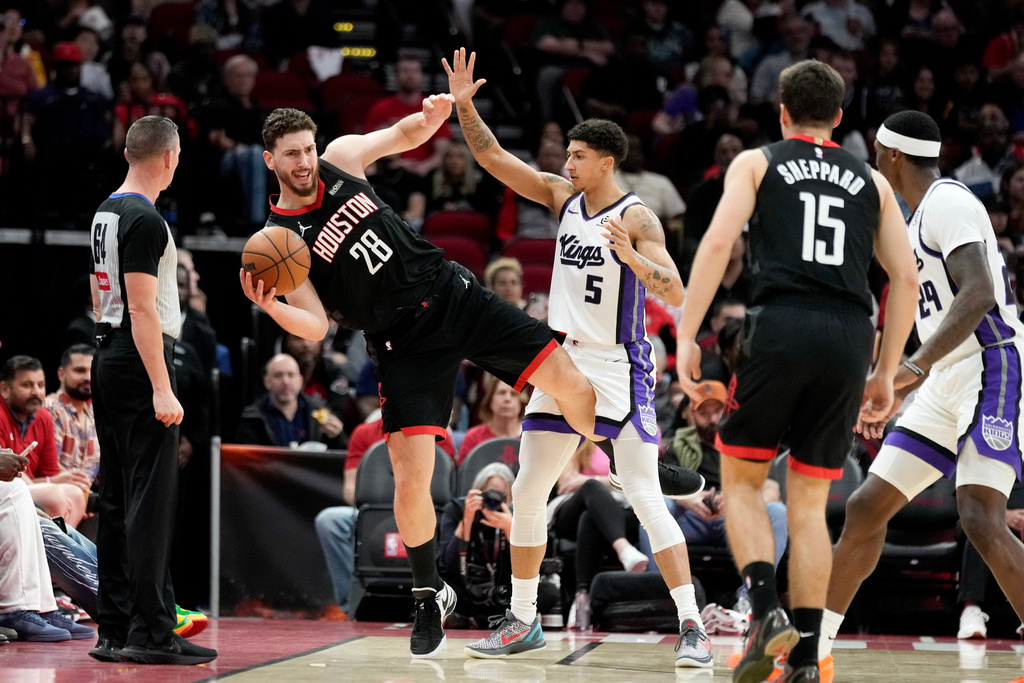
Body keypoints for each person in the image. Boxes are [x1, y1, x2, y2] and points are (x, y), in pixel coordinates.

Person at [240, 100, 600, 659]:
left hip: (453, 296)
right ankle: (428, 594)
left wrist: (435, 113)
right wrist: (275, 308)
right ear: (271, 160)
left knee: (569, 380)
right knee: (411, 479)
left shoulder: (341, 158)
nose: (306, 161)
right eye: (292, 155)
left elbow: (403, 133)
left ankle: (629, 464)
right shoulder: (281, 239)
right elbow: (312, 325)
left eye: (308, 149)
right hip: (401, 345)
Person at [446, 48, 709, 668]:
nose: (564, 163)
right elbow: (491, 157)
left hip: (619, 365)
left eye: (577, 156)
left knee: (642, 494)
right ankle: (524, 619)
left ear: (608, 161)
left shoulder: (636, 215)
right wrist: (464, 105)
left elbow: (675, 289)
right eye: (566, 154)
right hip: (561, 362)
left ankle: (693, 624)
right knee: (530, 486)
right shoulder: (562, 199)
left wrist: (634, 258)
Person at [675, 60, 919, 683]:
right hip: (848, 335)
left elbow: (716, 244)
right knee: (810, 505)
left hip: (780, 324)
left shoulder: (758, 162)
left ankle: (764, 611)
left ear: (780, 110)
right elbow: (907, 281)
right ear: (839, 118)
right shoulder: (872, 180)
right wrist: (886, 372)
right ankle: (807, 661)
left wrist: (684, 332)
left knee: (743, 480)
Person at [820, 111, 1024, 679]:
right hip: (945, 379)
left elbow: (979, 293)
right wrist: (893, 385)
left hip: (993, 364)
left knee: (980, 516)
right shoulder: (912, 223)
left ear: (890, 157)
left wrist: (908, 370)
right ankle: (816, 648)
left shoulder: (948, 201)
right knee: (866, 507)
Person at [88, 115, 217, 666]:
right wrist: (163, 387)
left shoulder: (105, 211)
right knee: (149, 501)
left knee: (117, 497)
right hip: (140, 359)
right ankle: (151, 632)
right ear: (168, 158)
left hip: (107, 354)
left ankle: (114, 628)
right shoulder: (145, 218)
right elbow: (142, 308)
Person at [0, 356, 88, 527]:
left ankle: (59, 552)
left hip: (30, 488)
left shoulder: (43, 417)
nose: (36, 392)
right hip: (8, 488)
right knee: (53, 495)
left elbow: (49, 473)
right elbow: (6, 472)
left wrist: (54, 481)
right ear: (5, 389)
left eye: (40, 385)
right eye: (27, 385)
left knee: (76, 494)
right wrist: (51, 483)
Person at [235, 353, 345, 449]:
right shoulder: (253, 417)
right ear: (267, 382)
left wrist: (337, 436)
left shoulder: (319, 408)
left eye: (291, 375)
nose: (286, 381)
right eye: (278, 375)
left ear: (300, 380)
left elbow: (342, 452)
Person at [45, 344, 100, 487]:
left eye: (92, 371)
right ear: (61, 374)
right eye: (79, 371)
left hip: (88, 499)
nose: (88, 377)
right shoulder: (50, 409)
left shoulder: (96, 412)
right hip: (55, 495)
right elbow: (49, 466)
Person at [458, 375, 527, 464]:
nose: (507, 399)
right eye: (501, 393)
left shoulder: (532, 437)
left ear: (522, 402)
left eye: (513, 394)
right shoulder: (474, 437)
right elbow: (465, 474)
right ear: (490, 400)